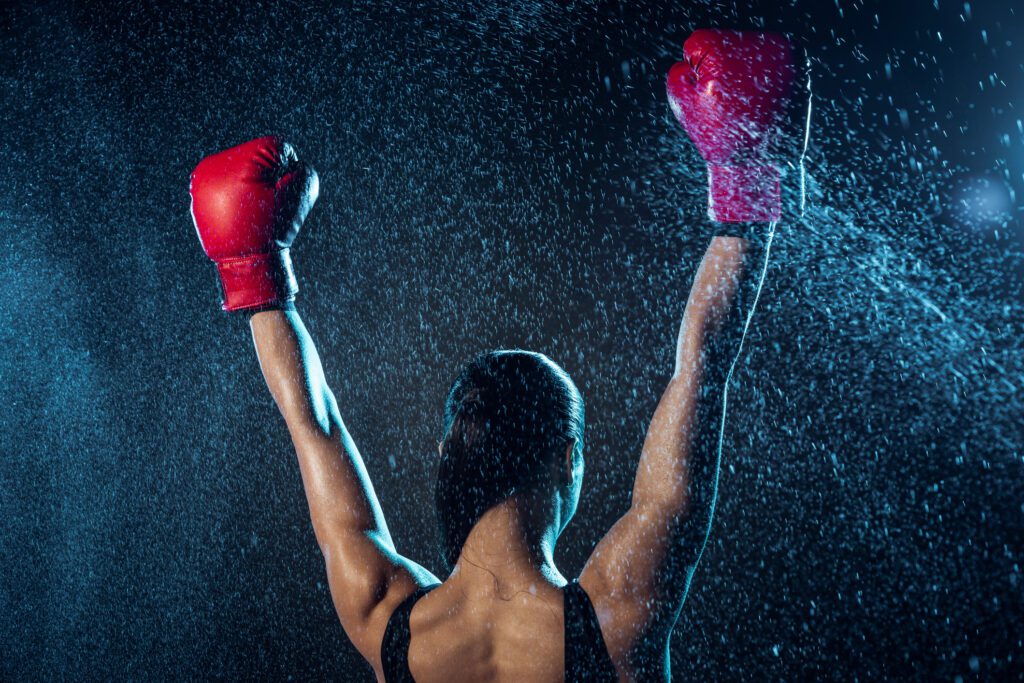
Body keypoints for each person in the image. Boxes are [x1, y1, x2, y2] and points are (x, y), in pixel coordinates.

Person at [188, 29, 809, 683]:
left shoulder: (386, 619)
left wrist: (255, 272)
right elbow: (703, 363)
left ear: (453, 453)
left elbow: (312, 422)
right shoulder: (617, 610)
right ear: (567, 458)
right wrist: (745, 182)